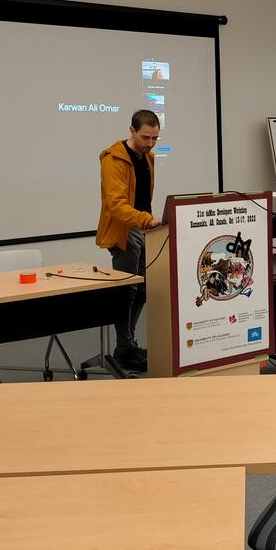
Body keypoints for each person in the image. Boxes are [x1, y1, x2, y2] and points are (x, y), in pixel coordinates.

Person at [96, 109, 163, 372]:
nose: (150, 143)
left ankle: (128, 344)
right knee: (127, 291)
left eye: (155, 138)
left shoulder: (149, 157)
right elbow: (116, 205)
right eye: (145, 137)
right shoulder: (113, 159)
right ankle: (124, 348)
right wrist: (146, 220)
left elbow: (143, 197)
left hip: (145, 229)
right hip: (125, 231)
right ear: (132, 131)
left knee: (143, 289)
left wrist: (148, 223)